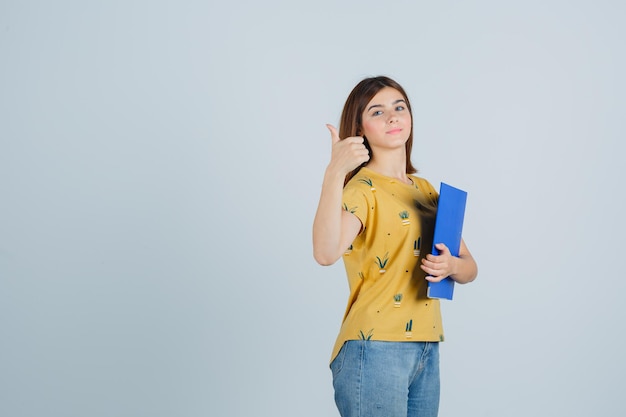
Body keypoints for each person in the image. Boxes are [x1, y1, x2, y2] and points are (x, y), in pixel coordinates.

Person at [312, 76, 478, 417]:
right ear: (359, 129)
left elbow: (469, 266)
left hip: (426, 347)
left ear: (410, 118)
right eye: (377, 111)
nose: (392, 116)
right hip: (374, 348)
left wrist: (452, 267)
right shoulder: (361, 190)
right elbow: (325, 253)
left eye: (399, 107)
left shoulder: (426, 189)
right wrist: (334, 173)